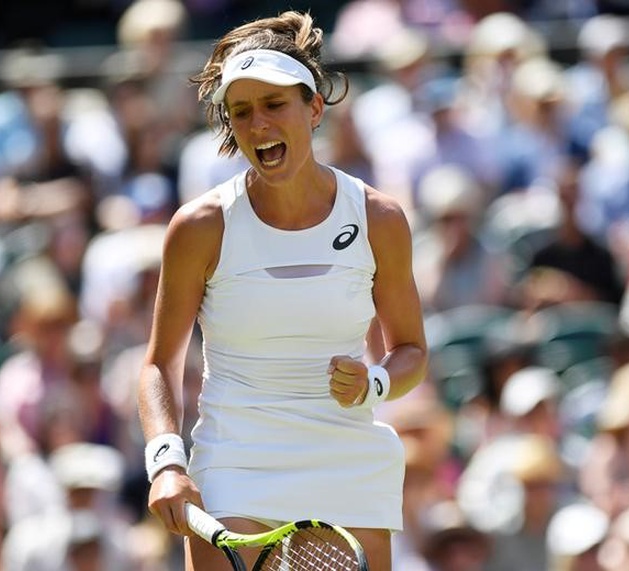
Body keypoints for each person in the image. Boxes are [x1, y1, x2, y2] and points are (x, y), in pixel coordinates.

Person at [136, 10, 428, 571]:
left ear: (314, 108)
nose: (258, 125)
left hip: (347, 460)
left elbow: (412, 351)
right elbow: (158, 365)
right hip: (235, 461)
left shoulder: (379, 219)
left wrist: (374, 382)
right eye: (241, 112)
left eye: (275, 105)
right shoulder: (200, 227)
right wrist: (166, 460)